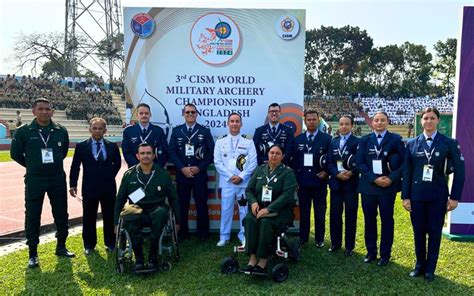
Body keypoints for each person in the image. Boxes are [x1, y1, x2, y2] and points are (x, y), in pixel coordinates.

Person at [402, 107, 465, 282]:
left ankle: (430, 269)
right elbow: (407, 172)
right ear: (421, 121)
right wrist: (405, 196)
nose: (428, 121)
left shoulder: (449, 143)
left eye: (432, 118)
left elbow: (460, 172)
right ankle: (419, 265)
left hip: (438, 197)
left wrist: (454, 197)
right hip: (417, 196)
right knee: (418, 232)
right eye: (425, 118)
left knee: (435, 232)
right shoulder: (413, 144)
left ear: (438, 120)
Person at [10, 98, 74, 268]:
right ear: (34, 111)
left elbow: (64, 152)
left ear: (52, 111)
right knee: (32, 215)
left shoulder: (61, 130)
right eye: (41, 109)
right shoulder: (23, 131)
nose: (44, 112)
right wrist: (32, 165)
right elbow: (15, 154)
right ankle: (33, 254)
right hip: (34, 179)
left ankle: (61, 246)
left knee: (61, 213)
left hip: (57, 178)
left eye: (48, 109)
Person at [114, 143, 180, 271]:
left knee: (161, 212)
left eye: (148, 153)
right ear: (137, 156)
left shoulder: (163, 174)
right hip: (137, 208)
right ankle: (138, 258)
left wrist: (177, 221)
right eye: (142, 153)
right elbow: (120, 199)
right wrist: (116, 222)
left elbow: (174, 199)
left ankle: (152, 257)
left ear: (153, 155)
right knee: (129, 213)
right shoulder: (129, 174)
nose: (146, 156)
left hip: (157, 209)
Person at [356, 111, 405, 266]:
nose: (379, 123)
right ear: (372, 122)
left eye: (382, 120)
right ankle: (371, 252)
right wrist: (374, 179)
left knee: (386, 221)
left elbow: (404, 163)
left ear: (387, 121)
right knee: (369, 220)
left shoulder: (396, 139)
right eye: (376, 120)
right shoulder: (364, 140)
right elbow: (360, 162)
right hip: (369, 187)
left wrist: (391, 178)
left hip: (387, 187)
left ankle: (385, 254)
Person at [69, 117, 122, 255]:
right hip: (89, 187)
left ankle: (110, 242)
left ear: (105, 130)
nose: (97, 131)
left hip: (108, 186)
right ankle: (89, 244)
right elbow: (75, 166)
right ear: (90, 129)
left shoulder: (112, 146)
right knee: (89, 216)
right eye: (95, 128)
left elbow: (117, 164)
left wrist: (109, 176)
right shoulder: (81, 146)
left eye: (100, 128)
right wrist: (73, 184)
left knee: (109, 215)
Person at [242, 144, 297, 273]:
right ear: (268, 154)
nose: (274, 155)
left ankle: (263, 259)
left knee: (265, 222)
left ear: (283, 156)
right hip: (258, 208)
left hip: (279, 212)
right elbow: (249, 190)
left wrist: (269, 209)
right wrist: (254, 203)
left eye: (278, 153)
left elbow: (287, 195)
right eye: (272, 153)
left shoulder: (288, 172)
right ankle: (252, 258)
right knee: (250, 220)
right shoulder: (260, 169)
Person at [168, 103, 214, 241]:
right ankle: (183, 232)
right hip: (182, 174)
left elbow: (211, 153)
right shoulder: (176, 131)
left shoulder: (204, 131)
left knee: (201, 203)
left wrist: (199, 167)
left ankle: (203, 233)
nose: (190, 114)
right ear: (183, 114)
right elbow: (171, 151)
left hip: (199, 174)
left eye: (193, 112)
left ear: (197, 114)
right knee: (182, 204)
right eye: (187, 112)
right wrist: (182, 168)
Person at [214, 113, 257, 247]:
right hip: (227, 183)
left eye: (237, 121)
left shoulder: (248, 141)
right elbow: (217, 162)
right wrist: (230, 177)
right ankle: (224, 236)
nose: (234, 124)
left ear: (241, 124)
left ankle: (243, 235)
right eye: (232, 121)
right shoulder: (220, 141)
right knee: (226, 209)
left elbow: (253, 162)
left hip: (243, 183)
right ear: (228, 123)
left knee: (244, 210)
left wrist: (241, 177)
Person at [290, 108, 331, 247]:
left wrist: (326, 172)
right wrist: (295, 180)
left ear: (318, 120)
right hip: (303, 182)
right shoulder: (298, 140)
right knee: (304, 212)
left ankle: (319, 239)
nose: (312, 122)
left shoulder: (327, 139)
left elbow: (331, 160)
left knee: (320, 212)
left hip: (319, 181)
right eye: (309, 119)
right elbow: (294, 162)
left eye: (314, 119)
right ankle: (303, 237)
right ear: (305, 121)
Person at [326, 115, 360, 256]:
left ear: (352, 126)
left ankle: (349, 246)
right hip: (336, 184)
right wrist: (336, 174)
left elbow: (361, 161)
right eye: (341, 124)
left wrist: (351, 172)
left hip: (351, 184)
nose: (344, 126)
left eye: (347, 124)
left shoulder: (357, 142)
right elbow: (329, 163)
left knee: (351, 215)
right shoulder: (333, 142)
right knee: (335, 214)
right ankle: (335, 243)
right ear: (338, 126)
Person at [122, 103, 168, 168]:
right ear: (137, 115)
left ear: (150, 115)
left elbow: (164, 152)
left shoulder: (158, 131)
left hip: (155, 170)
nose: (144, 115)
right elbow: (126, 152)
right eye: (141, 113)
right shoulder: (128, 131)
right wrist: (138, 167)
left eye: (146, 113)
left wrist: (157, 167)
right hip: (135, 170)